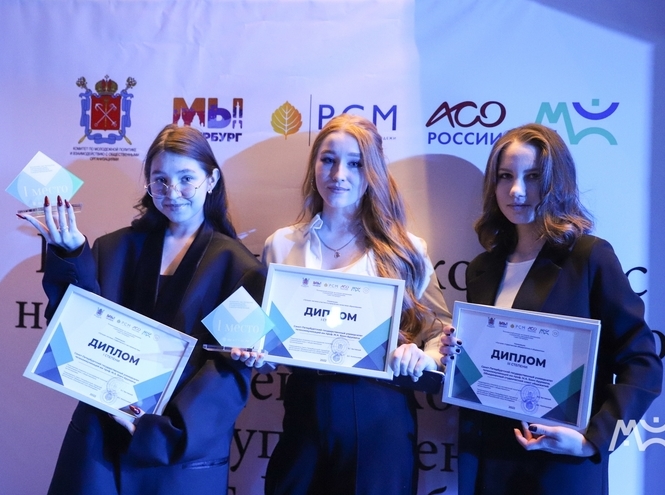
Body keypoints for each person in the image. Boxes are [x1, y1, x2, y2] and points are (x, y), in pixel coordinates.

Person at [20, 124, 266, 495]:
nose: (173, 192)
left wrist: (161, 433)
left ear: (212, 180)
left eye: (187, 179)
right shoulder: (112, 248)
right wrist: (71, 252)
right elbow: (70, 328)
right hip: (99, 445)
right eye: (160, 180)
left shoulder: (241, 269)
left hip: (178, 454)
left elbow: (228, 372)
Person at [234, 113, 460, 494]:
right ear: (314, 166)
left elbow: (440, 334)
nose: (338, 174)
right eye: (328, 159)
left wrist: (424, 356)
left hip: (380, 416)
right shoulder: (282, 245)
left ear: (373, 171)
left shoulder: (406, 250)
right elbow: (266, 340)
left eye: (355, 163)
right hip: (303, 409)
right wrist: (253, 351)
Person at [453, 123, 662, 495]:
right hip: (488, 463)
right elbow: (482, 368)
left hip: (560, 469)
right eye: (505, 176)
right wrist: (454, 354)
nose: (516, 191)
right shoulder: (482, 268)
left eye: (533, 177)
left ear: (556, 182)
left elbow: (643, 364)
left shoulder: (589, 257)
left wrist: (594, 439)